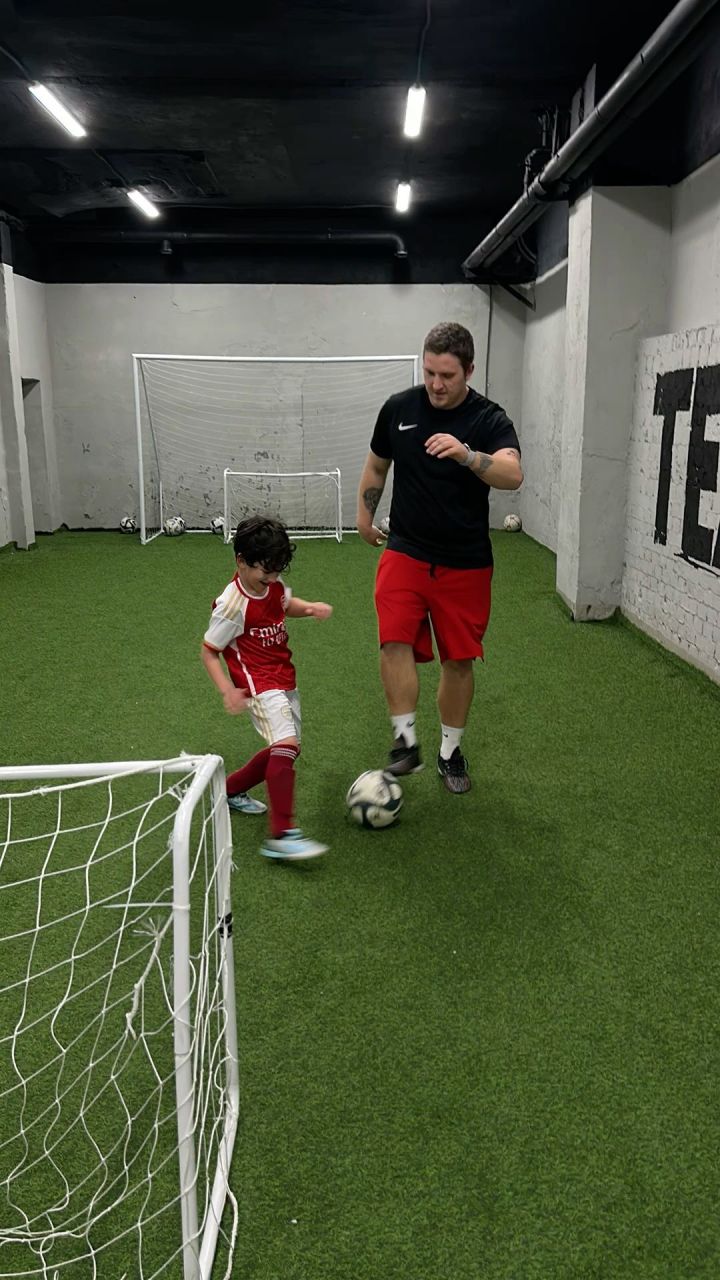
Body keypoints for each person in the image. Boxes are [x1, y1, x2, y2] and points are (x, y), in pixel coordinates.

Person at [356, 321, 522, 794]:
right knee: (393, 640)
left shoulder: (488, 418)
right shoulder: (399, 408)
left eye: (447, 375)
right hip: (406, 550)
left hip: (466, 561)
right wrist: (365, 516)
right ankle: (405, 743)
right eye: (429, 372)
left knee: (459, 661)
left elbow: (512, 474)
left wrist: (467, 456)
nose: (436, 384)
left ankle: (450, 752)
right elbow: (377, 464)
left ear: (469, 370)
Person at [201, 515, 332, 860]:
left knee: (286, 749)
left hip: (283, 677)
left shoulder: (272, 583)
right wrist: (227, 690)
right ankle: (282, 834)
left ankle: (229, 790)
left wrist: (310, 608)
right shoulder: (231, 605)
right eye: (265, 574)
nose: (272, 580)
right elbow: (209, 651)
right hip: (257, 684)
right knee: (286, 746)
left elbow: (286, 605)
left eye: (276, 572)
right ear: (240, 561)